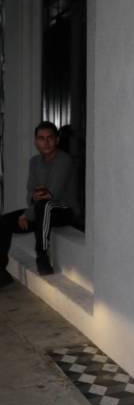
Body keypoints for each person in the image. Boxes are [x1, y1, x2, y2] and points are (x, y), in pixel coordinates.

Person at [0, 121, 78, 285]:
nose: (46, 142)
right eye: (41, 138)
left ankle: (42, 256)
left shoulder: (64, 160)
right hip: (42, 211)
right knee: (4, 221)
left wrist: (28, 213)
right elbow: (31, 192)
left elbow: (52, 193)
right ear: (36, 142)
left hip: (64, 210)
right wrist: (29, 208)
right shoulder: (34, 161)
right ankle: (1, 272)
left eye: (50, 138)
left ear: (57, 140)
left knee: (45, 205)